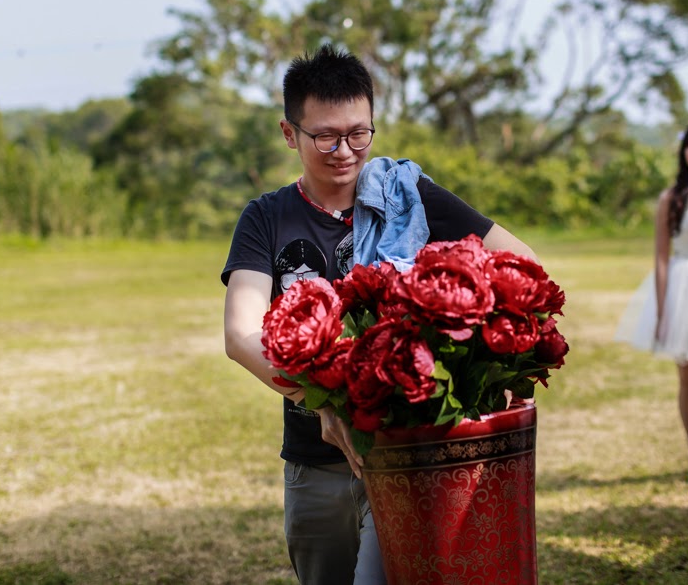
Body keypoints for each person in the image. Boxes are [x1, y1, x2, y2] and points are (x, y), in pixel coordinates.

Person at [221, 44, 536, 585]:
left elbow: (522, 264)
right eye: (324, 135)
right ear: (288, 132)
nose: (344, 151)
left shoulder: (408, 197)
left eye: (359, 133)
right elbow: (241, 332)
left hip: (408, 453)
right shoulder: (267, 218)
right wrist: (320, 400)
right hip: (312, 456)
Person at [614, 120, 688, 488]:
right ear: (685, 152)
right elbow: (662, 257)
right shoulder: (673, 197)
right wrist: (664, 310)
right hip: (685, 287)